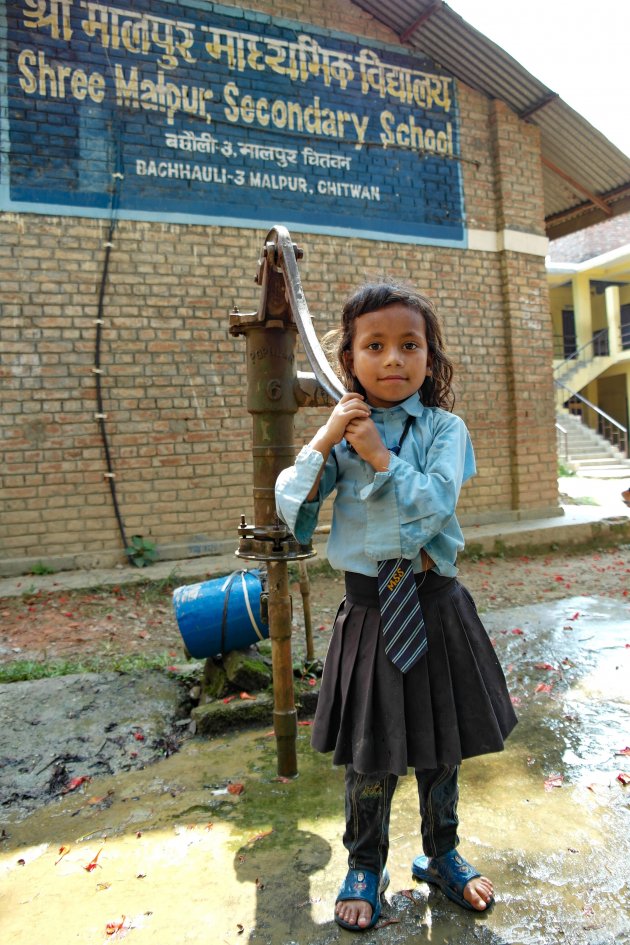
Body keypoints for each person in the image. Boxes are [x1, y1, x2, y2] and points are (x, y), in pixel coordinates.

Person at [275, 281, 517, 931]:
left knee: (442, 746)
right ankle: (364, 862)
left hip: (434, 603)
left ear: (430, 359)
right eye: (374, 346)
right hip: (370, 610)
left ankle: (442, 852)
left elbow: (435, 505)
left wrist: (380, 457)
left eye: (409, 345)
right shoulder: (342, 434)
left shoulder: (445, 430)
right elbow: (290, 512)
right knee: (370, 750)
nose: (392, 359)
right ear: (349, 360)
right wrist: (325, 442)